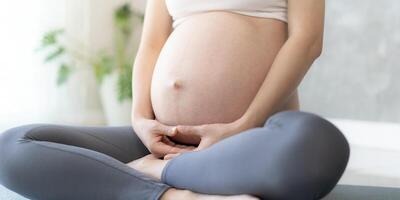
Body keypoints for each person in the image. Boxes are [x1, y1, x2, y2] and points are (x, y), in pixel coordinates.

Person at [0, 0, 350, 199]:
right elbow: (151, 42)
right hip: (159, 139)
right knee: (12, 146)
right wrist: (141, 119)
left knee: (319, 145)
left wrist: (242, 124)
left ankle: (160, 173)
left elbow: (307, 41)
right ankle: (172, 195)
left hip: (247, 138)